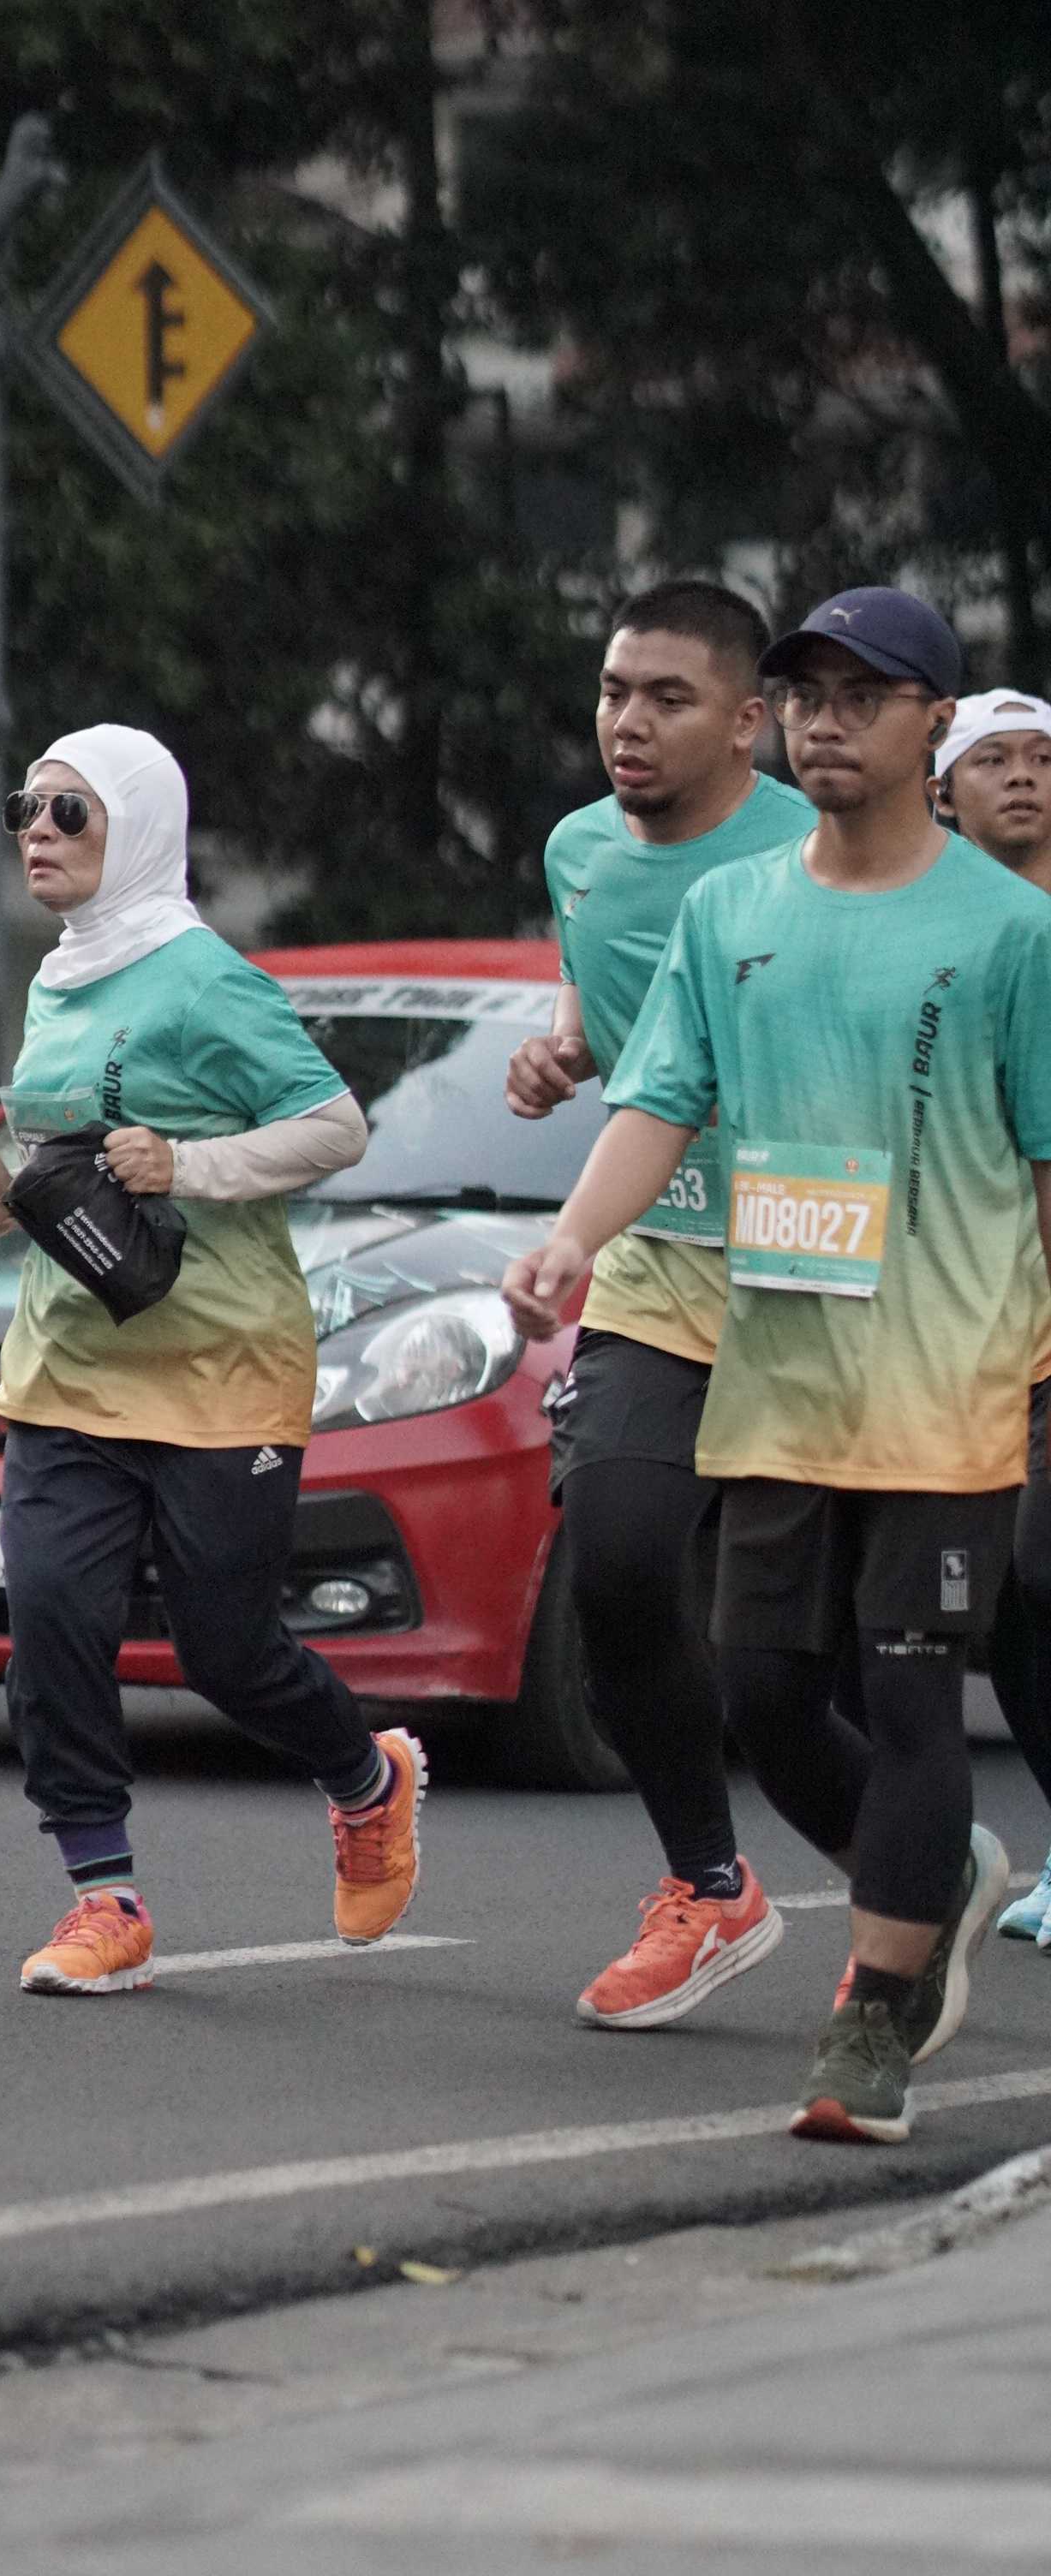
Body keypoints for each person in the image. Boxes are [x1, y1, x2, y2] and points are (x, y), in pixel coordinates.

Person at [503, 587, 1051, 2144]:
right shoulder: (728, 916)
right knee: (765, 1688)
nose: (825, 722)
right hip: (778, 1369)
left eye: (861, 697)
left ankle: (871, 2023)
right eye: (808, 695)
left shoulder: (1015, 933)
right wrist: (571, 1239)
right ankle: (922, 1885)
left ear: (933, 726)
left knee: (912, 1687)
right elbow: (659, 1098)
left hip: (944, 1380)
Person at [0, 724, 426, 1995]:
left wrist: (189, 1165)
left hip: (221, 1366)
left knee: (227, 1652)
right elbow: (63, 1158)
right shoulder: (59, 977)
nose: (36, 833)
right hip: (67, 1364)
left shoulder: (209, 980)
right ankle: (103, 1898)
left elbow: (336, 1127)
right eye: (25, 809)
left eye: (69, 813)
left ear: (143, 830)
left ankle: (366, 1779)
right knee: (53, 1621)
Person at [506, 581, 811, 2030]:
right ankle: (708, 1884)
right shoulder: (578, 850)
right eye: (615, 690)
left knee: (801, 1664)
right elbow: (609, 1012)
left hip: (822, 1275)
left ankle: (915, 1876)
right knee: (619, 1564)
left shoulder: (816, 853)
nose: (627, 722)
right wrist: (560, 1051)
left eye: (668, 698)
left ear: (749, 722)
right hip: (653, 1263)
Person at [927, 691, 1051, 1942]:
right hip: (959, 1324)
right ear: (942, 791)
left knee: (1041, 1563)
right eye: (994, 759)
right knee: (1006, 1601)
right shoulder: (929, 931)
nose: (1023, 778)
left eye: (1044, 759)